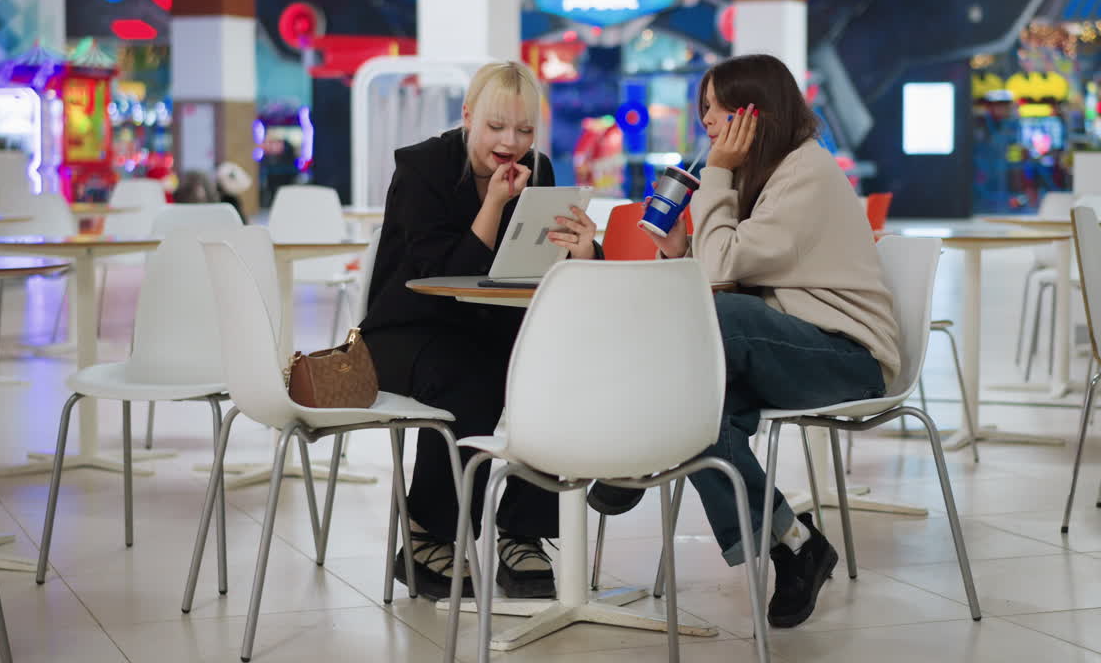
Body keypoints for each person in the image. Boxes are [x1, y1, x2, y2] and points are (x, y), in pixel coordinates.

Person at [587, 54, 901, 628]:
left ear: (755, 112)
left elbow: (721, 274)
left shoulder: (805, 172)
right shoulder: (766, 177)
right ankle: (795, 544)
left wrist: (717, 176)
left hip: (847, 357)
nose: (707, 121)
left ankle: (629, 447)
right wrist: (682, 247)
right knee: (698, 415)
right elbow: (726, 270)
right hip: (791, 344)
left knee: (719, 320)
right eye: (703, 109)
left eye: (717, 107)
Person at [359, 61, 600, 600]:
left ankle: (524, 530)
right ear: (468, 117)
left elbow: (549, 263)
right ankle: (429, 532)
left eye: (525, 130)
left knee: (546, 371)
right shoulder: (421, 168)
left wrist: (585, 248)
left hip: (485, 324)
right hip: (404, 330)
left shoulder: (538, 170)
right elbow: (438, 275)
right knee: (472, 376)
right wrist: (493, 203)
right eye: (496, 127)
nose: (510, 143)